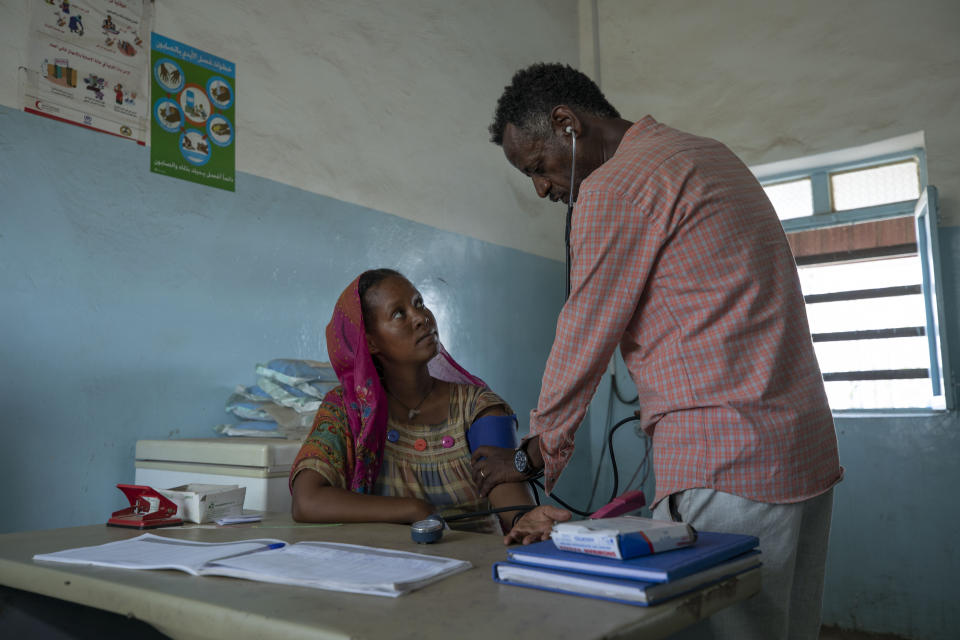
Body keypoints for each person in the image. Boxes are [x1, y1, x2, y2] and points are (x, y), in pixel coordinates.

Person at [472, 63, 843, 639]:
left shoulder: (614, 185)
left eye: (538, 168)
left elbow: (584, 332)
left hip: (727, 461)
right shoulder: (705, 153)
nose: (542, 188)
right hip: (801, 449)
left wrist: (533, 454)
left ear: (567, 124)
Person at [290, 269, 534, 534]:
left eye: (419, 303)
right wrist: (415, 510)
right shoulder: (348, 409)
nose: (421, 318)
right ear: (370, 342)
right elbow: (306, 501)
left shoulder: (478, 408)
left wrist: (529, 523)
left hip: (472, 567)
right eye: (398, 313)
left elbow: (516, 515)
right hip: (379, 568)